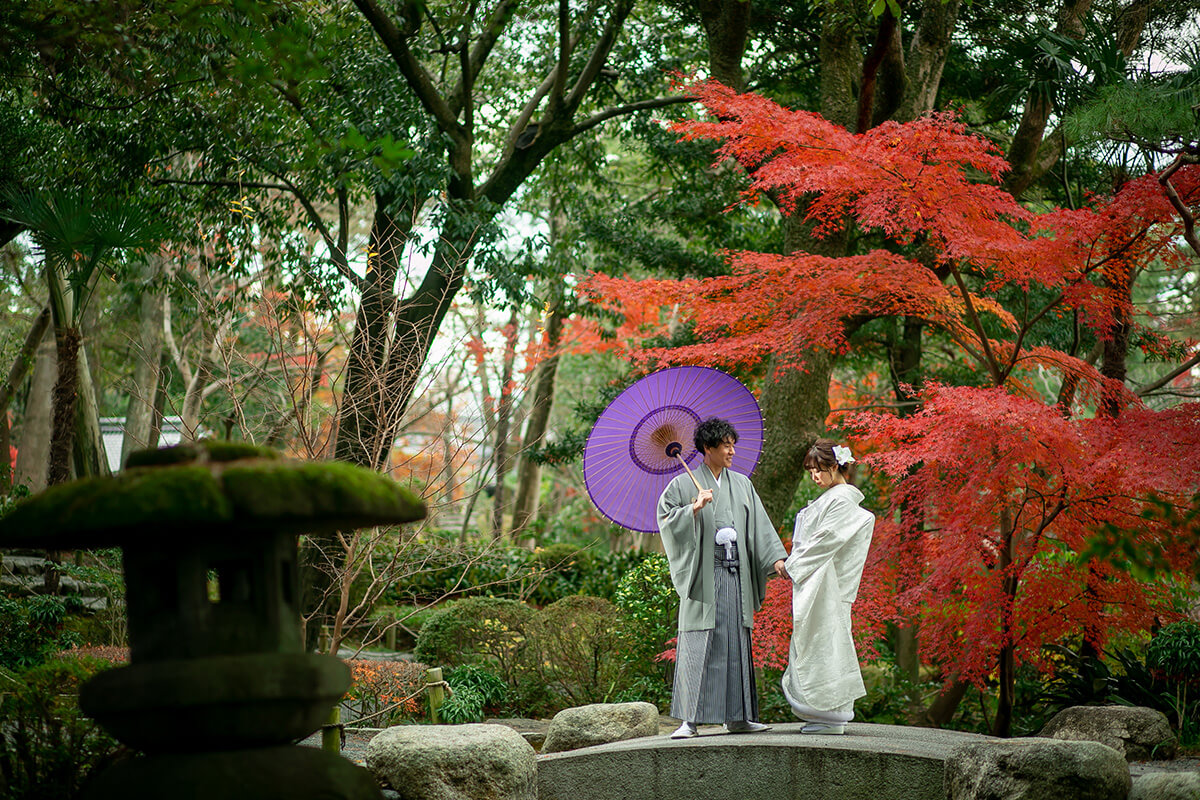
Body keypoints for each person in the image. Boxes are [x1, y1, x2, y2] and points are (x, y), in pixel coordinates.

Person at [656, 417, 788, 739]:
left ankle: (739, 716)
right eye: (725, 445)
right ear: (707, 448)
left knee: (735, 643)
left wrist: (777, 558)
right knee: (700, 642)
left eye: (733, 444)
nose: (731, 451)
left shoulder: (742, 484)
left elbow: (759, 526)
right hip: (704, 576)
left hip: (736, 576)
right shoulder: (682, 485)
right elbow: (666, 520)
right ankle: (690, 720)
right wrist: (693, 510)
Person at [781, 438, 875, 735]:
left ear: (835, 467)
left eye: (818, 471)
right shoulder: (836, 498)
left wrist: (792, 565)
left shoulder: (842, 499)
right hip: (821, 583)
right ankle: (825, 713)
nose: (815, 478)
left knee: (826, 644)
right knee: (819, 643)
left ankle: (831, 714)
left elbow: (825, 541)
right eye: (810, 473)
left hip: (828, 586)